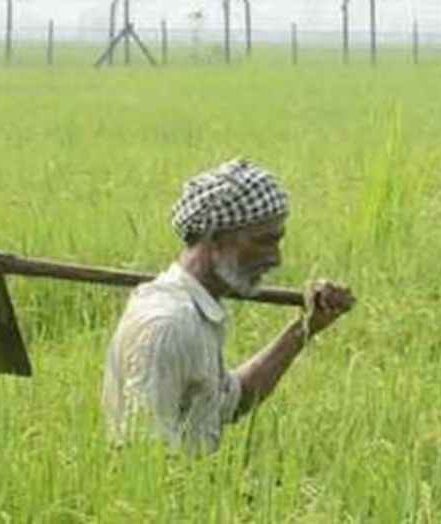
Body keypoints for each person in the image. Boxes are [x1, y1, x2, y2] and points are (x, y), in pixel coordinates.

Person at [101, 158, 355, 455]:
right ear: (216, 239)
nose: (275, 258)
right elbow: (141, 455)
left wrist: (304, 328)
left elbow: (231, 404)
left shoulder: (195, 312)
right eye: (264, 242)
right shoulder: (168, 325)